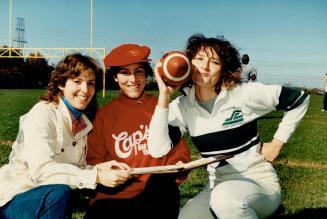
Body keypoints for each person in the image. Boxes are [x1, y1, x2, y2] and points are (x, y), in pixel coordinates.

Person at [148, 34, 310, 219]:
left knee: (225, 201)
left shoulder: (242, 94)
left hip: (258, 183)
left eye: (214, 62)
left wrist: (277, 143)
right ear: (189, 63)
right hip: (215, 187)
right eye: (199, 59)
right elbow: (157, 149)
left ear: (224, 69)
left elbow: (299, 98)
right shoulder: (183, 107)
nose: (205, 66)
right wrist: (164, 98)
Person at [0, 53, 131, 219]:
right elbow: (42, 170)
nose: (85, 90)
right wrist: (96, 176)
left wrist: (100, 168)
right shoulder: (43, 113)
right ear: (61, 83)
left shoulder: (83, 122)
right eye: (77, 81)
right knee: (59, 192)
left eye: (90, 83)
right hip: (13, 199)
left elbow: (73, 167)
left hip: (47, 195)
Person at [84, 44, 191, 219]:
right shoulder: (105, 116)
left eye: (139, 71)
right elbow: (94, 160)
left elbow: (179, 153)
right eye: (125, 72)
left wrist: (178, 165)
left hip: (153, 196)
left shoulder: (162, 107)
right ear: (116, 78)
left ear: (147, 74)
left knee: (163, 185)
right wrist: (107, 173)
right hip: (114, 196)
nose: (132, 79)